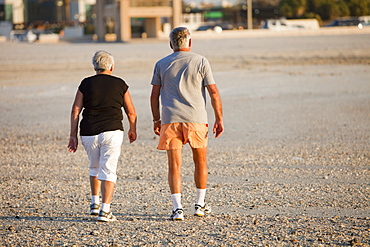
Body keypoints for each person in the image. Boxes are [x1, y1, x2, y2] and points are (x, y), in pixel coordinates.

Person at [150, 27, 224, 221]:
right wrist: (219, 118)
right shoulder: (200, 61)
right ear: (189, 43)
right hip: (197, 119)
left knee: (174, 165)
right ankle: (199, 205)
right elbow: (213, 92)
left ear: (170, 44)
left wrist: (156, 119)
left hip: (170, 120)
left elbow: (154, 95)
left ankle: (178, 209)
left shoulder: (161, 63)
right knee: (200, 162)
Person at [68, 50, 137, 222]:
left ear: (95, 67)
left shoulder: (86, 83)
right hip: (112, 131)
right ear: (112, 67)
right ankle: (105, 211)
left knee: (94, 166)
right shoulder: (120, 84)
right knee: (109, 169)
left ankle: (94, 204)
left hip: (89, 132)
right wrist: (132, 129)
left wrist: (73, 135)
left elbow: (76, 110)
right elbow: (131, 112)